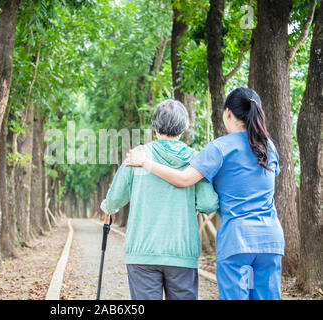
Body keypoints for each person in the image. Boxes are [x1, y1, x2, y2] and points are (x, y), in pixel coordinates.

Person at [125, 87, 285, 300]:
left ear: (228, 113)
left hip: (237, 241)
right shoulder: (268, 147)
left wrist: (145, 162)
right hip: (270, 240)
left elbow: (183, 179)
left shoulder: (219, 148)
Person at [100, 99, 219, 300]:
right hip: (182, 253)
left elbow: (114, 201)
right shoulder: (195, 160)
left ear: (154, 127)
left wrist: (107, 207)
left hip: (143, 251)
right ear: (183, 130)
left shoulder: (138, 156)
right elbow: (208, 204)